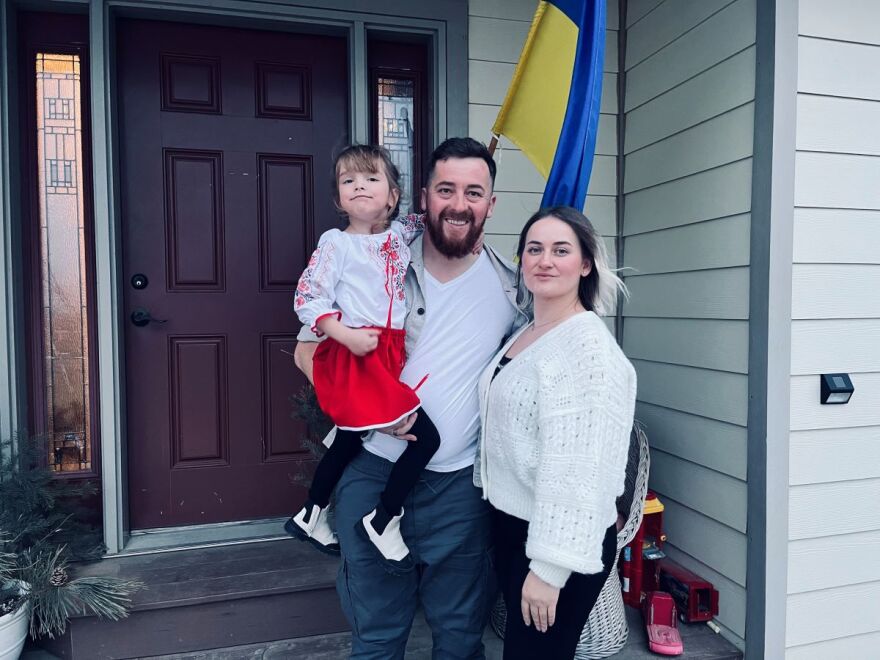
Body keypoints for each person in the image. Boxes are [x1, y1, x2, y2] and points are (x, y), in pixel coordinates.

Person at [294, 137, 527, 658]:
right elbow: (306, 352)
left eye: (474, 191)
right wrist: (369, 409)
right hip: (372, 474)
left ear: (492, 203)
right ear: (422, 197)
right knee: (376, 638)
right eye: (446, 189)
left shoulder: (514, 289)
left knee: (460, 640)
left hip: (459, 491)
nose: (459, 204)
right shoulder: (375, 263)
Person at [476, 206, 637, 659]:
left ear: (585, 264)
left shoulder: (587, 352)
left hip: (557, 541)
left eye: (560, 250)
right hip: (515, 525)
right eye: (534, 249)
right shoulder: (530, 332)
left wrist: (549, 570)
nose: (545, 260)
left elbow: (580, 472)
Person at [286, 144, 442, 571]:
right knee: (425, 438)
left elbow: (430, 216)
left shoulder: (399, 234)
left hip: (387, 350)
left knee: (352, 436)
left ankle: (311, 512)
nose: (359, 186)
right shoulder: (336, 244)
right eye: (348, 181)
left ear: (392, 196)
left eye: (371, 179)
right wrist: (344, 335)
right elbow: (307, 297)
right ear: (338, 199)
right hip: (358, 353)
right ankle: (384, 518)